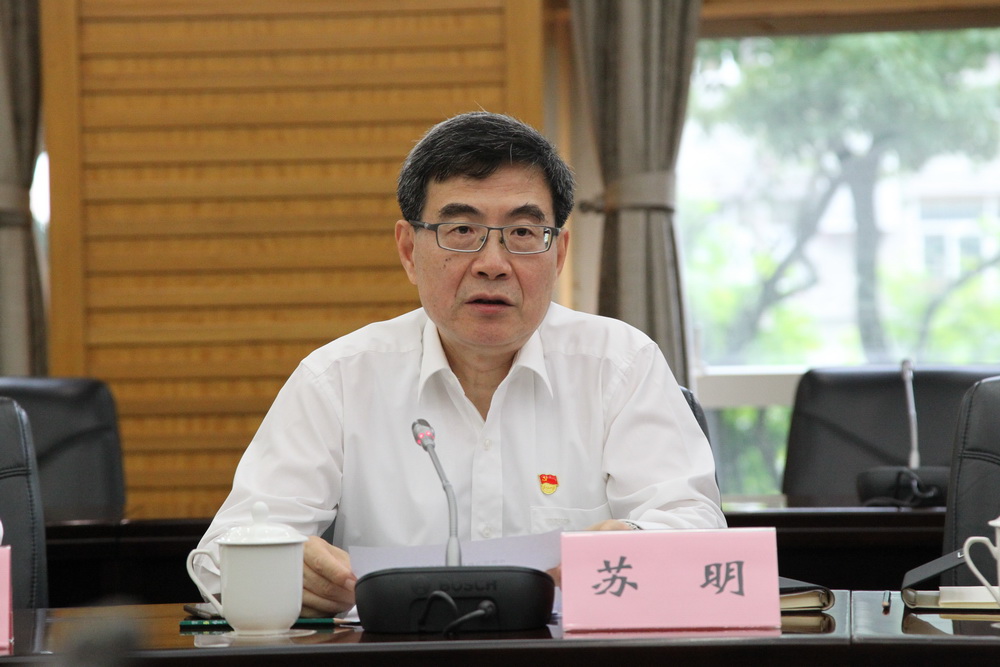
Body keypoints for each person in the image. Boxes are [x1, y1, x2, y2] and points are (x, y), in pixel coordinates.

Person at [193, 111, 725, 616]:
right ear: (409, 251)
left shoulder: (621, 365)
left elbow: (697, 531)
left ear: (559, 254)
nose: (492, 265)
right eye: (462, 231)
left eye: (522, 233)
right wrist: (284, 567)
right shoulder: (338, 379)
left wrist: (635, 542)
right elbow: (221, 556)